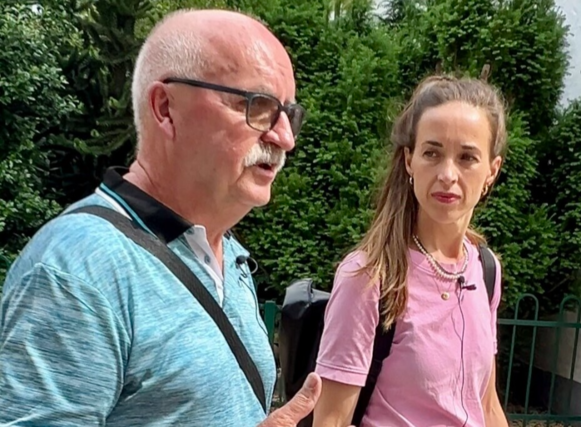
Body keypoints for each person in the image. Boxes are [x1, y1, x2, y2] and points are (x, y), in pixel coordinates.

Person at [0, 9, 323, 427]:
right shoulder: (75, 272)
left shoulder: (228, 255)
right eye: (258, 106)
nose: (285, 138)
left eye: (289, 114)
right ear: (166, 108)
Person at [312, 75, 511, 427]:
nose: (447, 174)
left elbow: (486, 402)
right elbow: (331, 420)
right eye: (432, 153)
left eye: (467, 157)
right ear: (409, 160)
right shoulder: (369, 277)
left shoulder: (485, 270)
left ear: (491, 172)